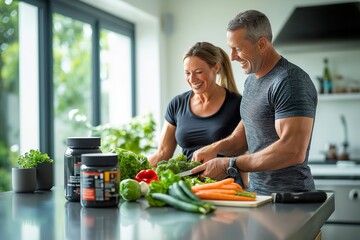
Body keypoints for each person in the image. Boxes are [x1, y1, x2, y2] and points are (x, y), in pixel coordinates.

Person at [191, 10, 318, 196]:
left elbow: (293, 150)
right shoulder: (252, 81)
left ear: (261, 44)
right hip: (258, 194)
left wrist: (230, 164)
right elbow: (244, 135)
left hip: (290, 198)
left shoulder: (289, 81)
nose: (232, 57)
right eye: (230, 48)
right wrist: (216, 148)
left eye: (238, 49)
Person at [148, 42, 248, 187]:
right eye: (187, 73)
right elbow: (162, 152)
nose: (192, 79)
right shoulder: (177, 104)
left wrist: (247, 186)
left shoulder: (238, 104)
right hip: (190, 188)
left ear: (216, 67)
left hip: (227, 187)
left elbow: (243, 148)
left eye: (199, 72)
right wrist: (135, 173)